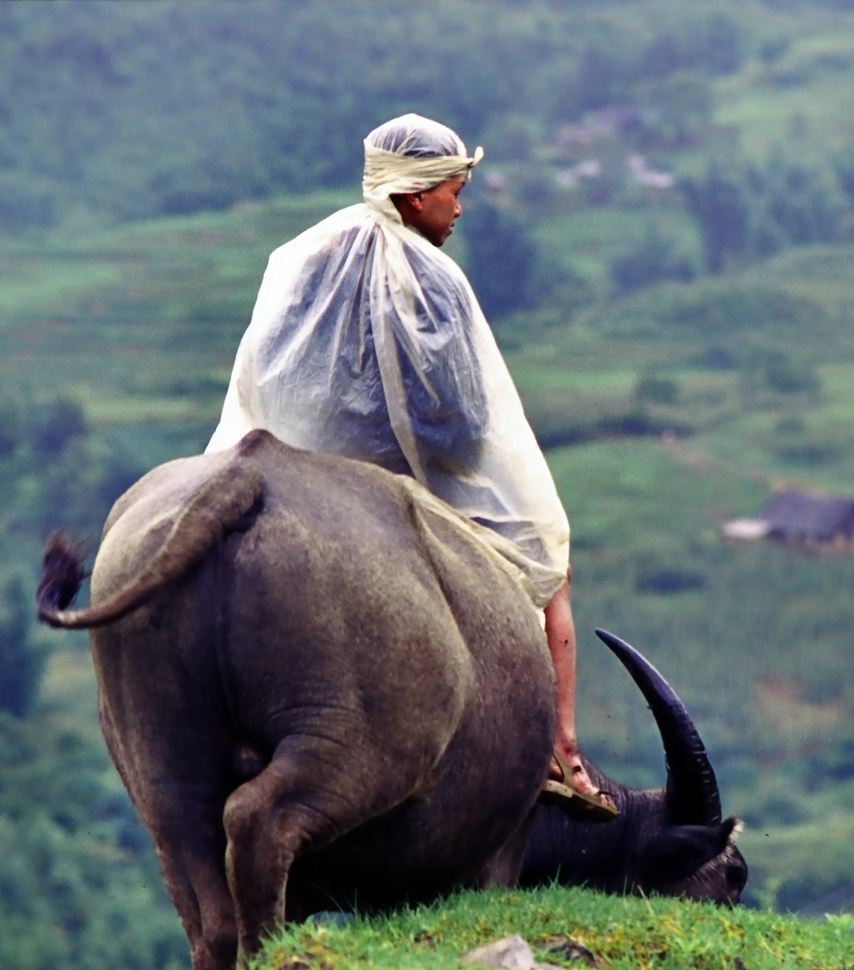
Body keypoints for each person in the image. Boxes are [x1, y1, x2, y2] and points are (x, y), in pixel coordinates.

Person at [206, 113, 615, 820]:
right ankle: (561, 754)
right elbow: (464, 424)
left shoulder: (300, 257)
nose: (459, 207)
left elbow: (269, 381)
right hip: (405, 481)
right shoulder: (435, 279)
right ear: (415, 193)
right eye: (453, 191)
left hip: (305, 473)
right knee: (548, 558)